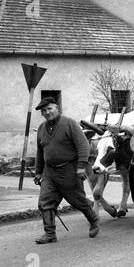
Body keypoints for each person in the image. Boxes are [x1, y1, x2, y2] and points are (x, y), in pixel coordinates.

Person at [33, 97, 99, 244]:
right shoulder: (42, 128)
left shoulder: (69, 124)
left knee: (78, 201)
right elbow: (40, 152)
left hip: (69, 169)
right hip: (49, 172)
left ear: (57, 108)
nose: (47, 112)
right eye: (44, 111)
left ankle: (94, 220)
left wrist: (81, 166)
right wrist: (38, 172)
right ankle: (50, 234)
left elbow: (83, 146)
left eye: (49, 108)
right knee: (45, 202)